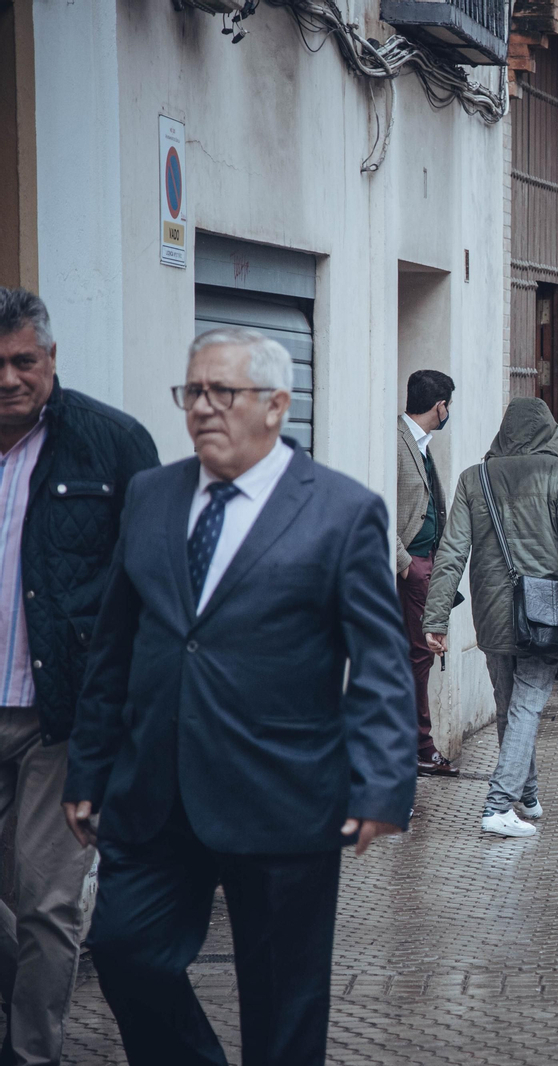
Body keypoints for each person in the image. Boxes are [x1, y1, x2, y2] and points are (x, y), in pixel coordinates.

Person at [63, 327, 415, 1066]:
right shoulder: (152, 494)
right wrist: (89, 769)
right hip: (154, 791)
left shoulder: (342, 512)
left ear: (277, 405)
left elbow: (379, 661)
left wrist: (381, 784)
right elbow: (115, 645)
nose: (202, 409)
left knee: (284, 1005)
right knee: (126, 953)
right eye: (192, 392)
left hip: (282, 793)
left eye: (223, 392)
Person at [0, 289, 157, 1066]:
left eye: (23, 360)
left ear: (51, 359)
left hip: (59, 717)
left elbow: (154, 585)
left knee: (48, 904)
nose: (7, 377)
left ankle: (31, 1055)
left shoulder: (113, 444)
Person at [422, 397, 558, 838]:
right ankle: (498, 804)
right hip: (546, 610)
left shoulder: (473, 478)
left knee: (509, 705)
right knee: (528, 705)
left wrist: (435, 618)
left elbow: (451, 553)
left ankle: (528, 795)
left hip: (492, 610)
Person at [395, 369, 458, 778]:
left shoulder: (421, 444)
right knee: (419, 654)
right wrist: (407, 565)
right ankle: (420, 746)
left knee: (421, 654)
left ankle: (416, 744)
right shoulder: (394, 441)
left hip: (429, 564)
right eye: (448, 405)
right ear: (440, 406)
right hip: (412, 567)